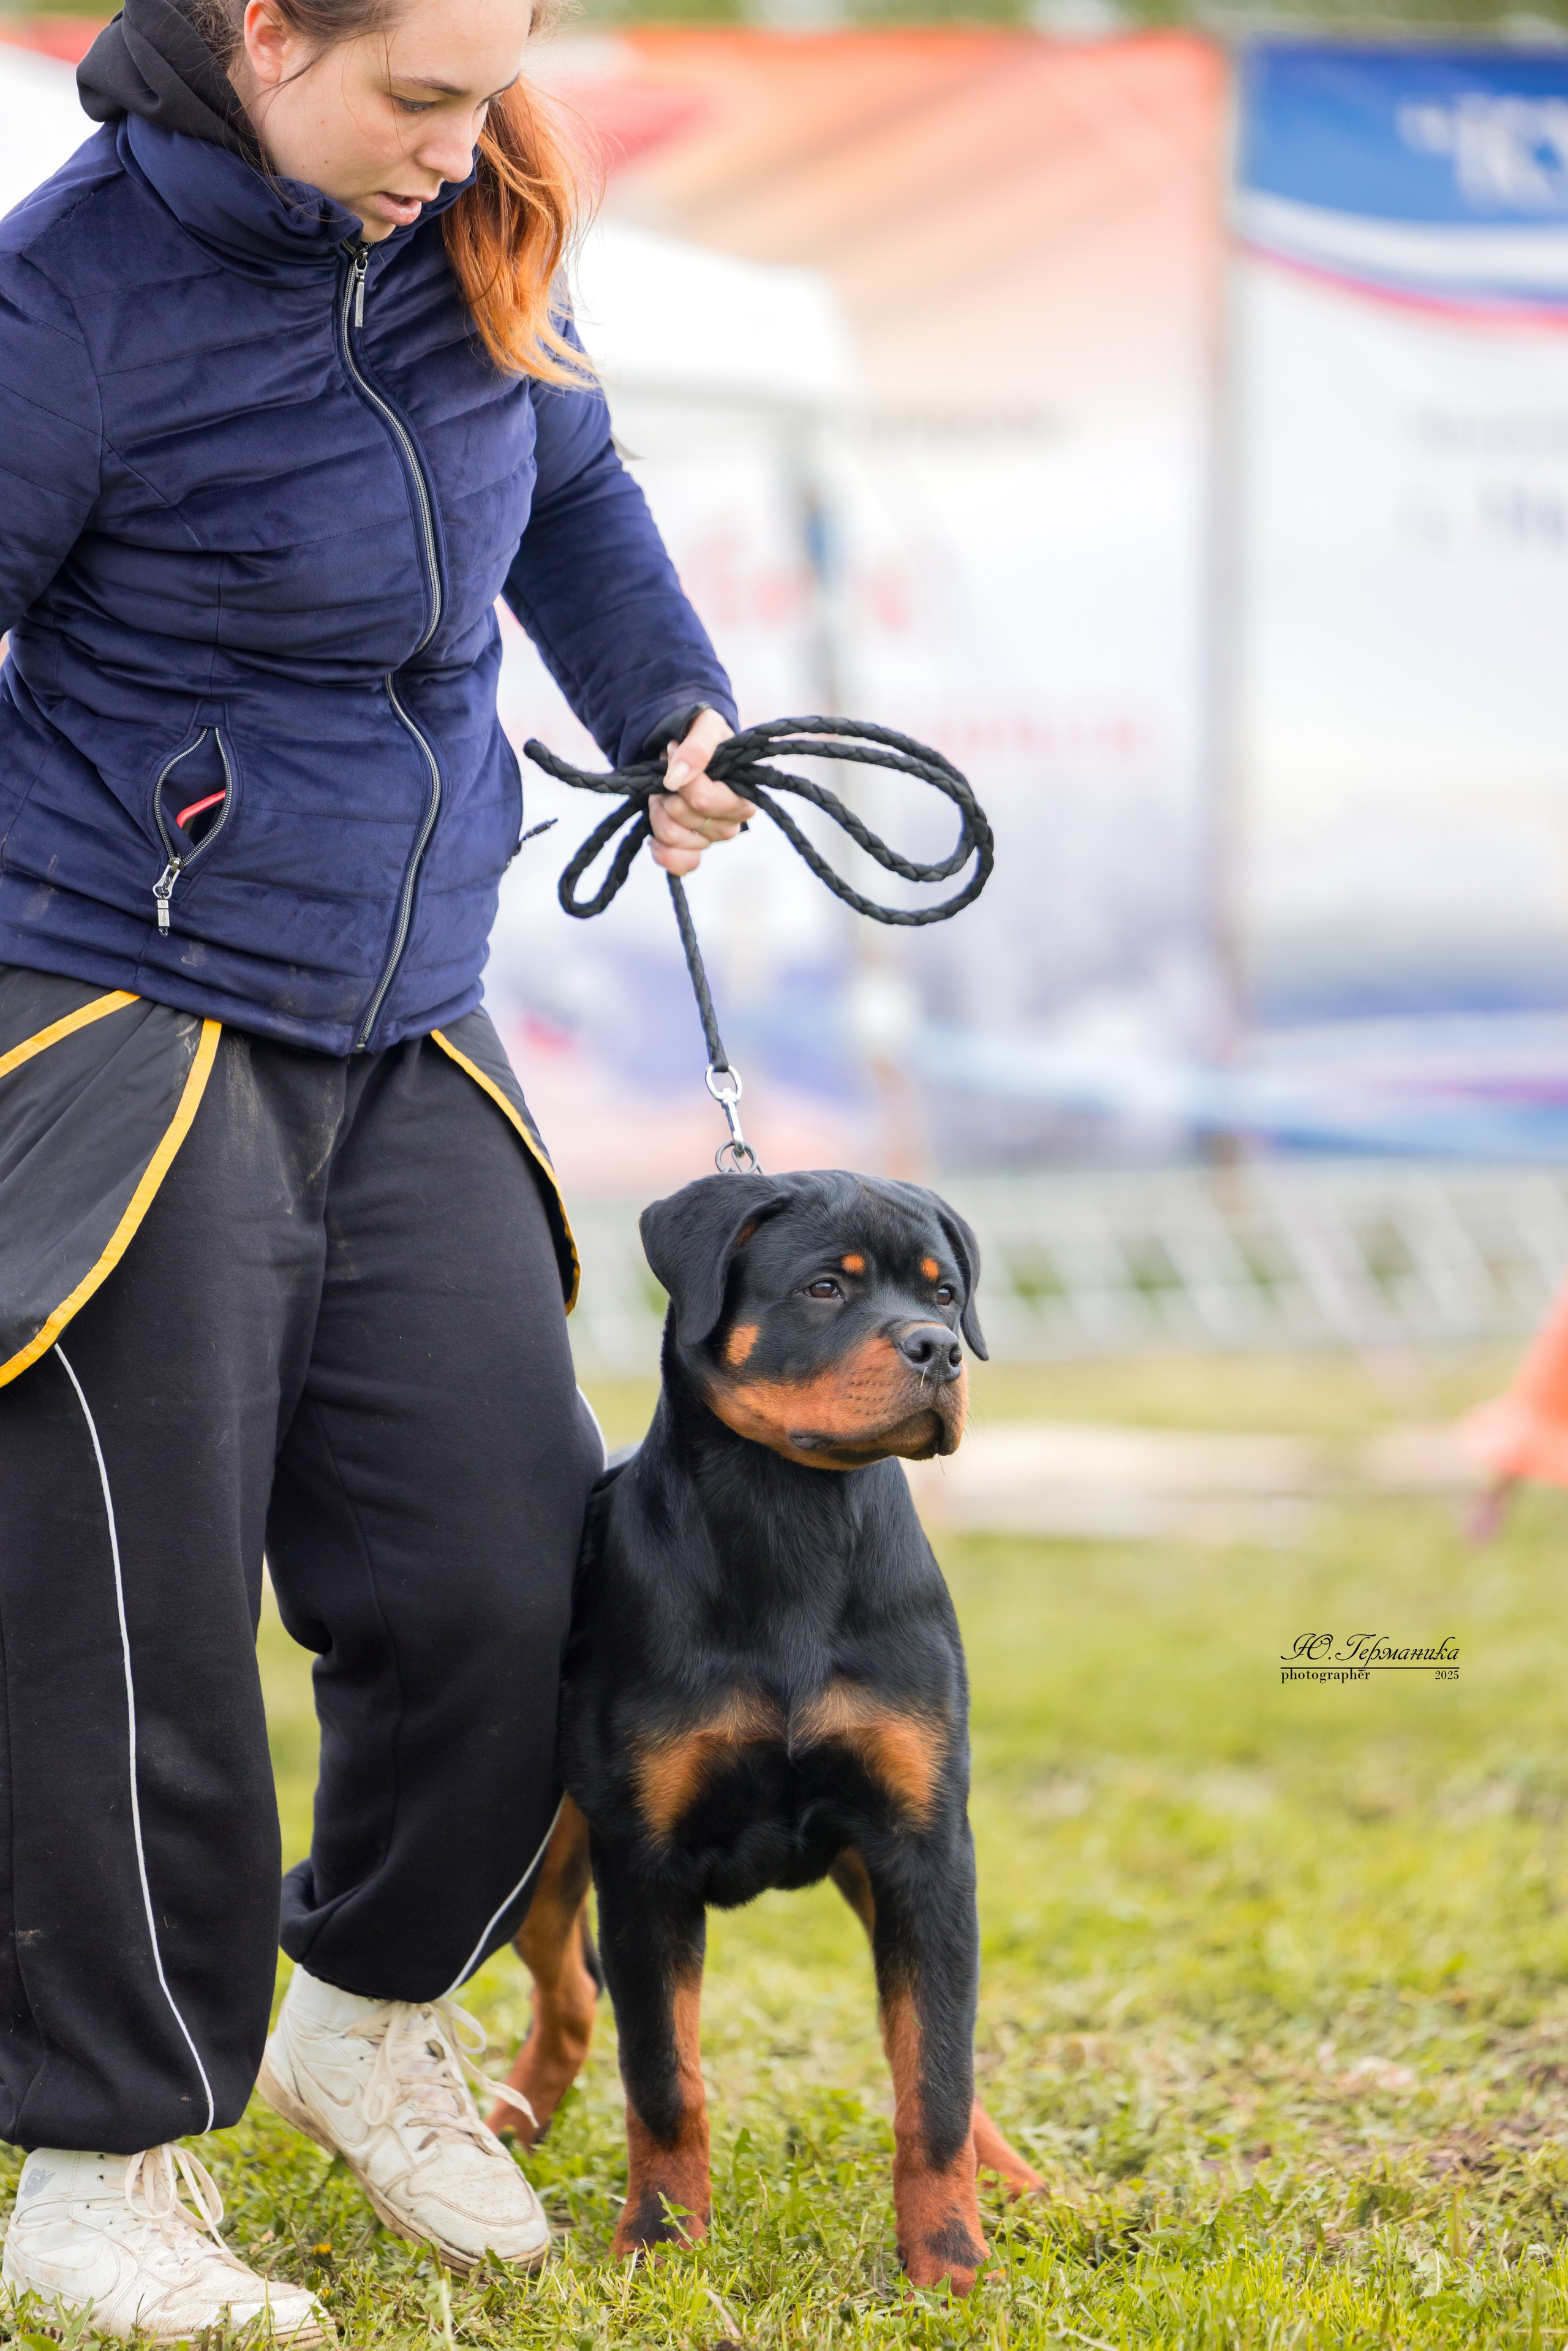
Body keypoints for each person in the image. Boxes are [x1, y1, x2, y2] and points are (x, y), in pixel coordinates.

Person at [0, 0, 755, 2331]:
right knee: (134, 1623)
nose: (462, 138)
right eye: (413, 93)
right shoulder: (65, 302)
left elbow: (583, 488)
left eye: (488, 81)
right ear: (260, 36)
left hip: (410, 995)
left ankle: (366, 2014)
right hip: (123, 998)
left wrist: (669, 707)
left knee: (512, 1570)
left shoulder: (480, 212)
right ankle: (102, 2161)